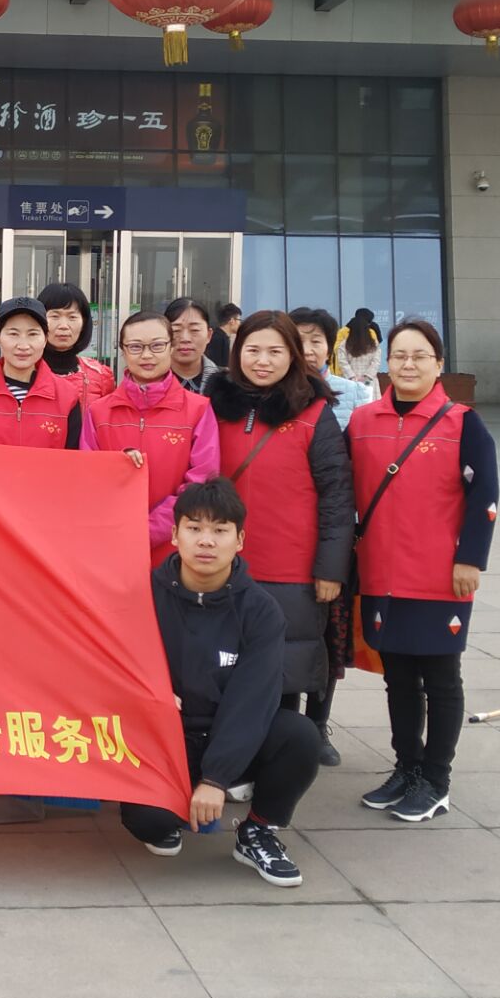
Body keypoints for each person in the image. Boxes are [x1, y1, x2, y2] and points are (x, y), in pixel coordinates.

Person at [117, 479, 323, 886]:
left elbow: (251, 702)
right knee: (151, 823)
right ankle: (172, 802)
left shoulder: (261, 611)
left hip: (230, 733)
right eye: (194, 528)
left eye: (220, 530)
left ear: (239, 540)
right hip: (166, 737)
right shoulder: (142, 595)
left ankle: (258, 830)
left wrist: (215, 778)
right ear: (174, 535)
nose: (206, 541)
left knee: (300, 736)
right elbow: (114, 666)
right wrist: (148, 693)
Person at [349, 319, 498, 824]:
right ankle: (407, 769)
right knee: (398, 677)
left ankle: (436, 780)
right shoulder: (362, 420)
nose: (408, 365)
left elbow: (484, 497)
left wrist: (471, 559)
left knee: (440, 677)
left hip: (440, 575)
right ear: (386, 363)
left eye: (419, 356)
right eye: (399, 356)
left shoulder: (462, 423)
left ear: (438, 364)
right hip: (380, 572)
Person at [207, 311, 353, 766]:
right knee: (223, 670)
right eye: (252, 350)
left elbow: (337, 496)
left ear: (293, 355)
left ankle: (278, 764)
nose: (263, 361)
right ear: (237, 353)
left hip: (291, 567)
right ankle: (229, 761)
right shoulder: (213, 406)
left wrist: (331, 569)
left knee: (284, 675)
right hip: (221, 565)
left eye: (275, 351)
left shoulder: (313, 413)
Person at [81, 311, 220, 567]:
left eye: (157, 345)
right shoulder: (99, 412)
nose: (146, 355)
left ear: (171, 347)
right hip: (113, 543)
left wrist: (150, 529)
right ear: (123, 351)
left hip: (177, 547)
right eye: (136, 347)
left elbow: (201, 481)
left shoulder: (198, 409)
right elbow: (89, 479)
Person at [0, 298, 83, 449]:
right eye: (13, 334)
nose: (23, 345)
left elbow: (72, 458)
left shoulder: (68, 396)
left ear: (45, 339)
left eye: (32, 334)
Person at [36, 281, 115, 405]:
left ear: (84, 323)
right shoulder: (24, 371)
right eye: (55, 316)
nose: (63, 326)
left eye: (72, 317)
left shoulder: (100, 375)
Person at [291, 308, 372, 417]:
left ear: (329, 350)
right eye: (298, 342)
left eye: (315, 341)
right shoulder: (273, 391)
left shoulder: (356, 393)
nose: (306, 351)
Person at [165, 297, 220, 393]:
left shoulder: (228, 386)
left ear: (209, 335)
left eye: (195, 330)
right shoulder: (146, 383)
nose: (185, 338)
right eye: (176, 330)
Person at [333, 308, 383, 398]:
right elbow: (376, 361)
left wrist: (352, 377)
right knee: (370, 403)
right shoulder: (373, 343)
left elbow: (342, 361)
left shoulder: (345, 343)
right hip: (369, 381)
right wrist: (367, 377)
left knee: (352, 404)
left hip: (350, 381)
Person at [205, 303, 243, 368]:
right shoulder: (217, 339)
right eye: (239, 320)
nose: (240, 324)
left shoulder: (223, 337)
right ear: (232, 321)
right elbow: (214, 366)